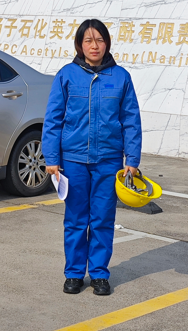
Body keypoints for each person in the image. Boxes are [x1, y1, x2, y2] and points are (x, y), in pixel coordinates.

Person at [42, 19, 142, 296]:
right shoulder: (67, 75)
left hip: (108, 160)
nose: (94, 46)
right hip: (73, 160)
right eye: (88, 40)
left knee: (103, 219)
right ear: (79, 45)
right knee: (76, 219)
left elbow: (131, 119)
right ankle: (74, 273)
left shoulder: (120, 77)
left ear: (107, 43)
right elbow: (53, 119)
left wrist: (132, 159)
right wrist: (51, 158)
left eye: (99, 40)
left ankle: (99, 274)